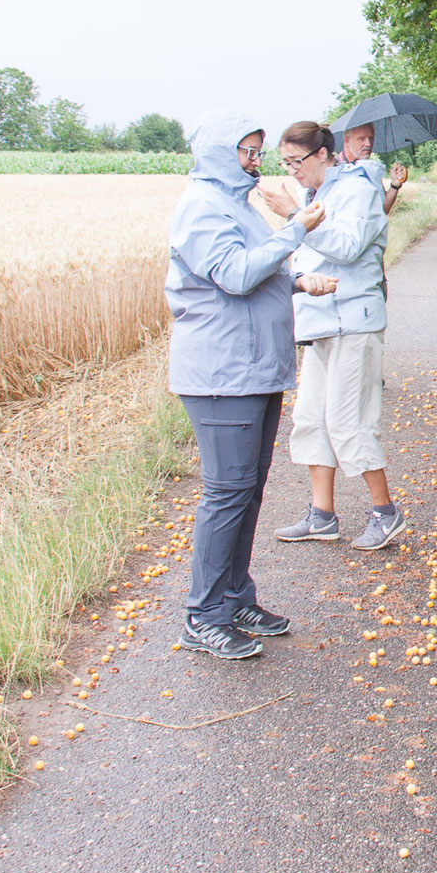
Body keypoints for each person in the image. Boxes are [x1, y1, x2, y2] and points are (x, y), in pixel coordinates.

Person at [164, 112, 330, 660]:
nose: (255, 161)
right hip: (221, 373)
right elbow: (234, 275)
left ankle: (235, 598)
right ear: (218, 153)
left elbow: (261, 269)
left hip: (256, 368)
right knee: (226, 492)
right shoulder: (202, 208)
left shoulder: (238, 205)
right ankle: (202, 615)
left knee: (246, 491)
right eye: (247, 152)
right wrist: (296, 229)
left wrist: (298, 281)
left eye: (258, 151)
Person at [259, 122, 406, 550]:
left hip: (353, 320)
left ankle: (386, 512)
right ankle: (322, 515)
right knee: (309, 418)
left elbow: (347, 247)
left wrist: (294, 215)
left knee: (348, 421)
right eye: (284, 162)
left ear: (322, 154)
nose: (291, 170)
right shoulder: (315, 193)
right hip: (320, 320)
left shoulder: (359, 188)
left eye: (296, 161)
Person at [341, 123, 407, 216]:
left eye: (371, 138)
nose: (368, 144)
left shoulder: (370, 170)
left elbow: (382, 209)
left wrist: (395, 185)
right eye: (361, 139)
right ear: (347, 141)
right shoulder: (334, 170)